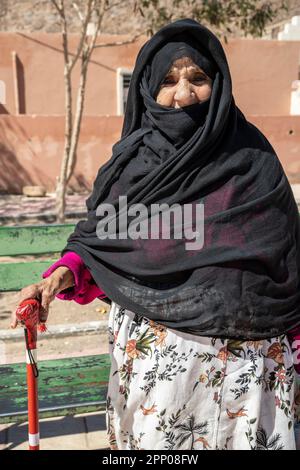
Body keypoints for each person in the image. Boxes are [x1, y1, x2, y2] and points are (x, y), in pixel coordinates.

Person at [11, 18, 300, 450]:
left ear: (218, 84)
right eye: (168, 81)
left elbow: (289, 266)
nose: (184, 94)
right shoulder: (132, 167)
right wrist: (58, 277)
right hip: (158, 384)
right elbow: (101, 245)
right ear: (146, 89)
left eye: (197, 78)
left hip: (249, 382)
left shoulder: (253, 161)